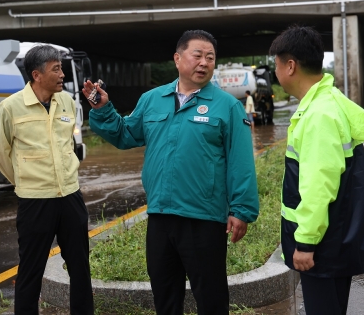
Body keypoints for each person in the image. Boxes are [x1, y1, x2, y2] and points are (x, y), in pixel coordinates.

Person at [83, 30, 259, 314]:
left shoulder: (227, 106)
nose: (204, 63)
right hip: (161, 217)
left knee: (211, 298)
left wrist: (241, 209)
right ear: (178, 59)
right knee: (165, 295)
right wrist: (103, 108)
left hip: (204, 218)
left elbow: (240, 162)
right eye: (197, 55)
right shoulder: (152, 99)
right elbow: (125, 134)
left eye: (210, 58)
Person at [269, 25, 364, 315]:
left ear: (291, 66)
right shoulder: (328, 102)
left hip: (323, 244)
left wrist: (306, 243)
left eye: (277, 65)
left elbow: (318, 185)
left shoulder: (319, 115)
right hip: (333, 236)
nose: (276, 72)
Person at [0, 45, 93, 315]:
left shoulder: (68, 103)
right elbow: (1, 152)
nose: (62, 75)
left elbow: (69, 143)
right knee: (31, 269)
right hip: (35, 202)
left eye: (62, 68)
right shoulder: (11, 107)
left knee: (80, 265)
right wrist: (25, 181)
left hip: (70, 196)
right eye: (56, 69)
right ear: (37, 74)